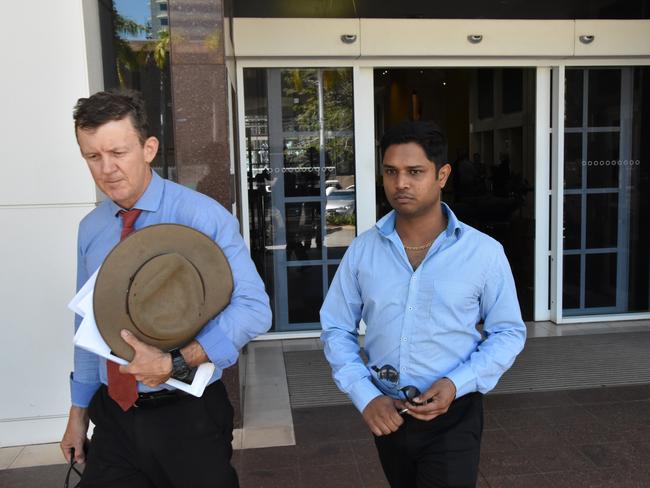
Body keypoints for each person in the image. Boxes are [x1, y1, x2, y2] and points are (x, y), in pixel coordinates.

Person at [60, 90, 272, 487]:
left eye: (118, 153)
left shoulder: (200, 216)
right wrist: (78, 415)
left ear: (149, 148)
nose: (106, 169)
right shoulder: (91, 229)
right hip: (114, 416)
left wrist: (173, 361)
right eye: (93, 157)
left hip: (187, 416)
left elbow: (253, 308)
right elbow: (85, 329)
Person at [320, 121, 526, 488]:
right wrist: (366, 395)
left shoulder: (483, 253)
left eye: (415, 172)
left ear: (442, 175)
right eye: (391, 172)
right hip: (387, 411)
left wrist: (457, 382)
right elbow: (336, 327)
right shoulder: (362, 251)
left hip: (455, 412)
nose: (401, 183)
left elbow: (508, 331)